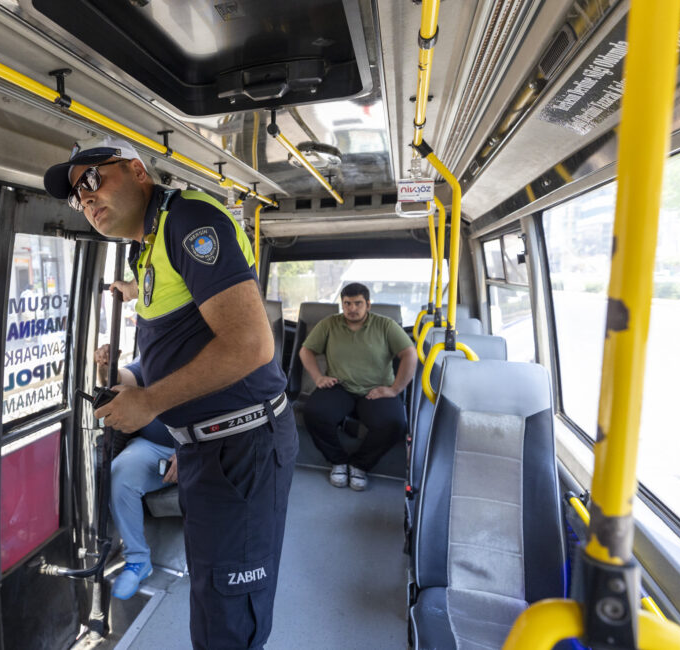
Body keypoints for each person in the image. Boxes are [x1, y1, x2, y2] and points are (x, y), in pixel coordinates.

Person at [44, 136, 297, 649]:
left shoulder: (188, 222)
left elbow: (251, 345)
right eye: (76, 196)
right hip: (204, 445)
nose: (86, 198)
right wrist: (135, 379)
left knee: (230, 613)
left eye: (92, 179)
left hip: (241, 446)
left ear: (139, 172)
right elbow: (170, 344)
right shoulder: (146, 248)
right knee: (210, 595)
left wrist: (152, 403)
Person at [298, 282, 416, 490]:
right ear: (342, 304)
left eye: (358, 303)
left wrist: (395, 389)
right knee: (314, 413)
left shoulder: (385, 325)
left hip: (376, 389)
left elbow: (409, 354)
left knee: (395, 423)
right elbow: (305, 351)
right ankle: (338, 461)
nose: (352, 309)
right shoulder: (329, 324)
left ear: (368, 305)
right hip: (339, 386)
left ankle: (360, 464)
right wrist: (318, 378)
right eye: (347, 304)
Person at [94, 344, 177, 601]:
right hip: (154, 446)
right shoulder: (158, 351)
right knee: (120, 473)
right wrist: (106, 367)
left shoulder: (213, 355)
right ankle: (138, 559)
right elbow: (126, 380)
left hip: (202, 445)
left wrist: (192, 452)